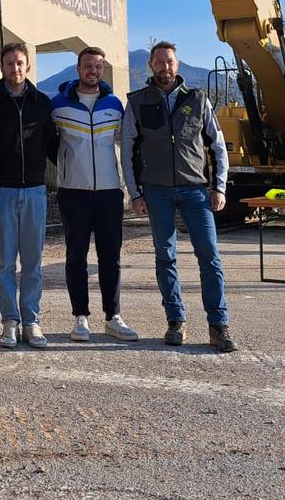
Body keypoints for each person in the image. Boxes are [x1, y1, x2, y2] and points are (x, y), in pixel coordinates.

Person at [120, 40, 239, 353]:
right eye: (159, 61)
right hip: (156, 192)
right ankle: (175, 321)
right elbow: (127, 151)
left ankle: (218, 325)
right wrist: (135, 193)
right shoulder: (137, 102)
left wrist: (219, 187)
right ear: (151, 65)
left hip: (195, 191)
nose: (165, 66)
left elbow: (217, 146)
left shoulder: (198, 99)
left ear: (177, 63)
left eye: (169, 61)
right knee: (165, 256)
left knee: (210, 257)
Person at [50, 46, 138, 343]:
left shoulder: (114, 104)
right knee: (76, 257)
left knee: (110, 257)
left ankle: (113, 317)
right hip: (73, 193)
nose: (93, 71)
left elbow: (126, 144)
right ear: (78, 69)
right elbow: (48, 144)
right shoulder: (58, 105)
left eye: (98, 66)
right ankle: (80, 318)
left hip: (109, 193)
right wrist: (65, 168)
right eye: (88, 66)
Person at [0, 42, 58, 350]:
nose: (15, 68)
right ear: (2, 67)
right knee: (6, 262)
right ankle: (10, 320)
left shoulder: (42, 102)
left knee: (33, 262)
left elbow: (53, 145)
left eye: (20, 63)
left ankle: (31, 321)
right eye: (9, 63)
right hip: (3, 192)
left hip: (35, 190)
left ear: (28, 66)